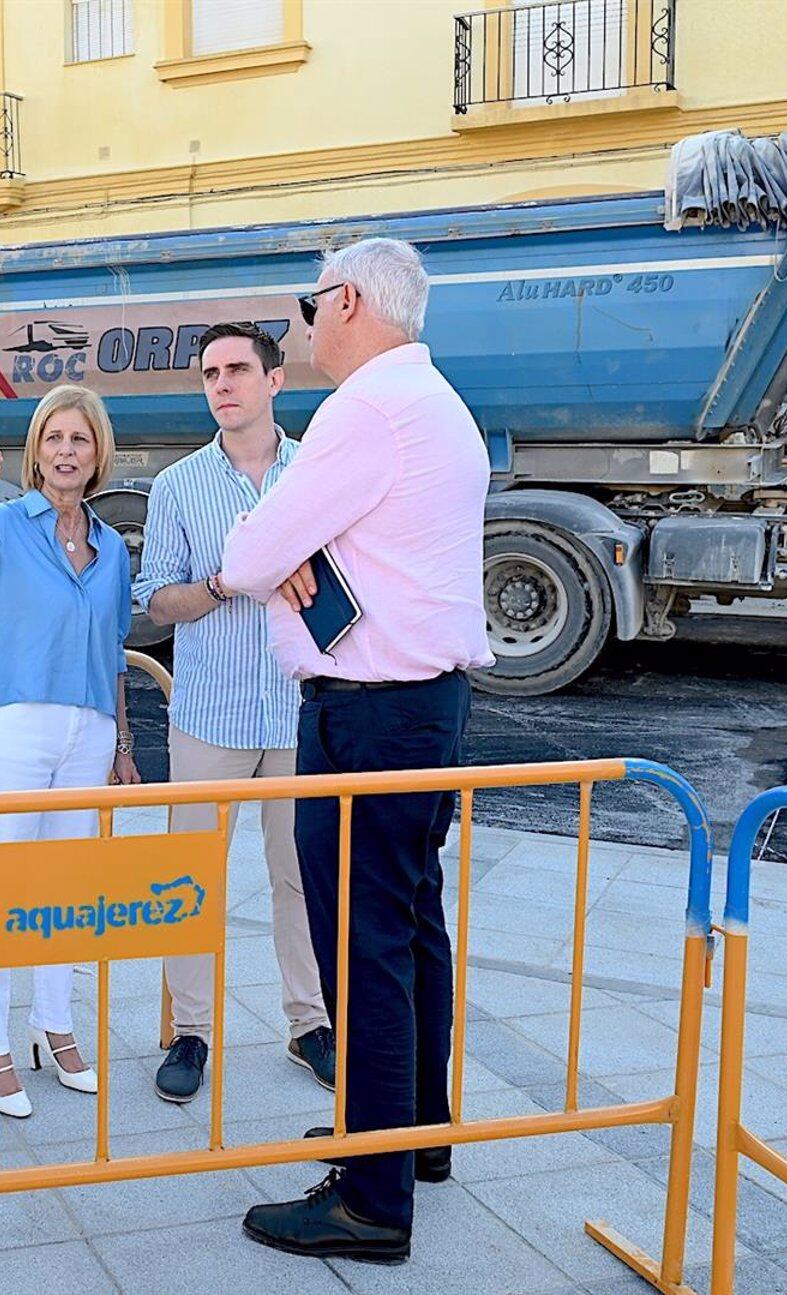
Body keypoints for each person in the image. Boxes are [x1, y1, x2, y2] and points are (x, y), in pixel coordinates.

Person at [222, 238, 492, 1263]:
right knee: (411, 923)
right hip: (425, 704)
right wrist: (289, 550)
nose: (303, 324)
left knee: (361, 941)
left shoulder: (366, 407)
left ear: (345, 301)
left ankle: (373, 1196)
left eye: (309, 303)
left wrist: (284, 548)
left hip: (367, 712)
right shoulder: (437, 402)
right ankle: (414, 1135)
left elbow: (249, 554)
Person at [135, 321, 336, 1106]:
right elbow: (157, 600)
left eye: (238, 369)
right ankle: (190, 1031)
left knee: (301, 876)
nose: (222, 384)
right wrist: (227, 582)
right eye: (211, 373)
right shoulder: (178, 485)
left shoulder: (318, 472)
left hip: (296, 710)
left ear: (274, 380)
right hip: (209, 715)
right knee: (189, 878)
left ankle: (309, 1024)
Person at [0, 384, 138, 1120]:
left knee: (64, 891)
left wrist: (123, 742)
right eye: (54, 438)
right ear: (36, 451)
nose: (66, 452)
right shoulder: (2, 524)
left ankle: (55, 1025)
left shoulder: (112, 548)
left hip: (89, 731)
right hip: (15, 727)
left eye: (79, 439)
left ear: (98, 451)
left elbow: (113, 649)